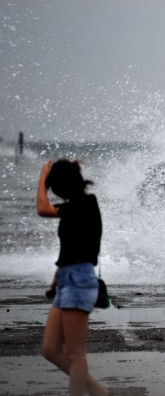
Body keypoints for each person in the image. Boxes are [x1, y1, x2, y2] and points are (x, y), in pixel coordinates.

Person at [36, 159, 108, 396]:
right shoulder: (75, 206)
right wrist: (57, 278)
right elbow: (71, 246)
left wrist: (42, 178)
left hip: (80, 280)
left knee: (75, 354)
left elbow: (42, 209)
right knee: (50, 349)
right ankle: (98, 392)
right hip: (67, 279)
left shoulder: (87, 203)